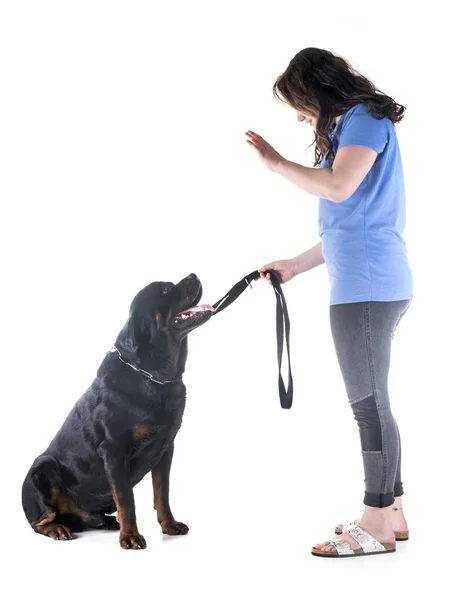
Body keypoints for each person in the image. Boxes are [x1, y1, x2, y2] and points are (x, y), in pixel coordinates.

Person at [245, 47, 413, 558]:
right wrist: (294, 265)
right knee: (375, 402)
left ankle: (376, 520)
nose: (299, 116)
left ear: (316, 88)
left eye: (298, 103)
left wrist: (276, 164)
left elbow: (338, 188)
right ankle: (394, 515)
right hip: (369, 280)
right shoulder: (355, 124)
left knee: (369, 407)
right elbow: (347, 222)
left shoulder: (364, 120)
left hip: (366, 288)